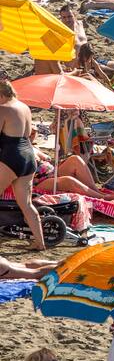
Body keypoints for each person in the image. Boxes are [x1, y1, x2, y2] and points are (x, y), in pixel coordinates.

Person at [0, 81, 43, 250]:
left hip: (12, 156)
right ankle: (40, 242)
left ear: (2, 95)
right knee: (26, 204)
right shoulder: (24, 107)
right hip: (28, 156)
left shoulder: (4, 109)